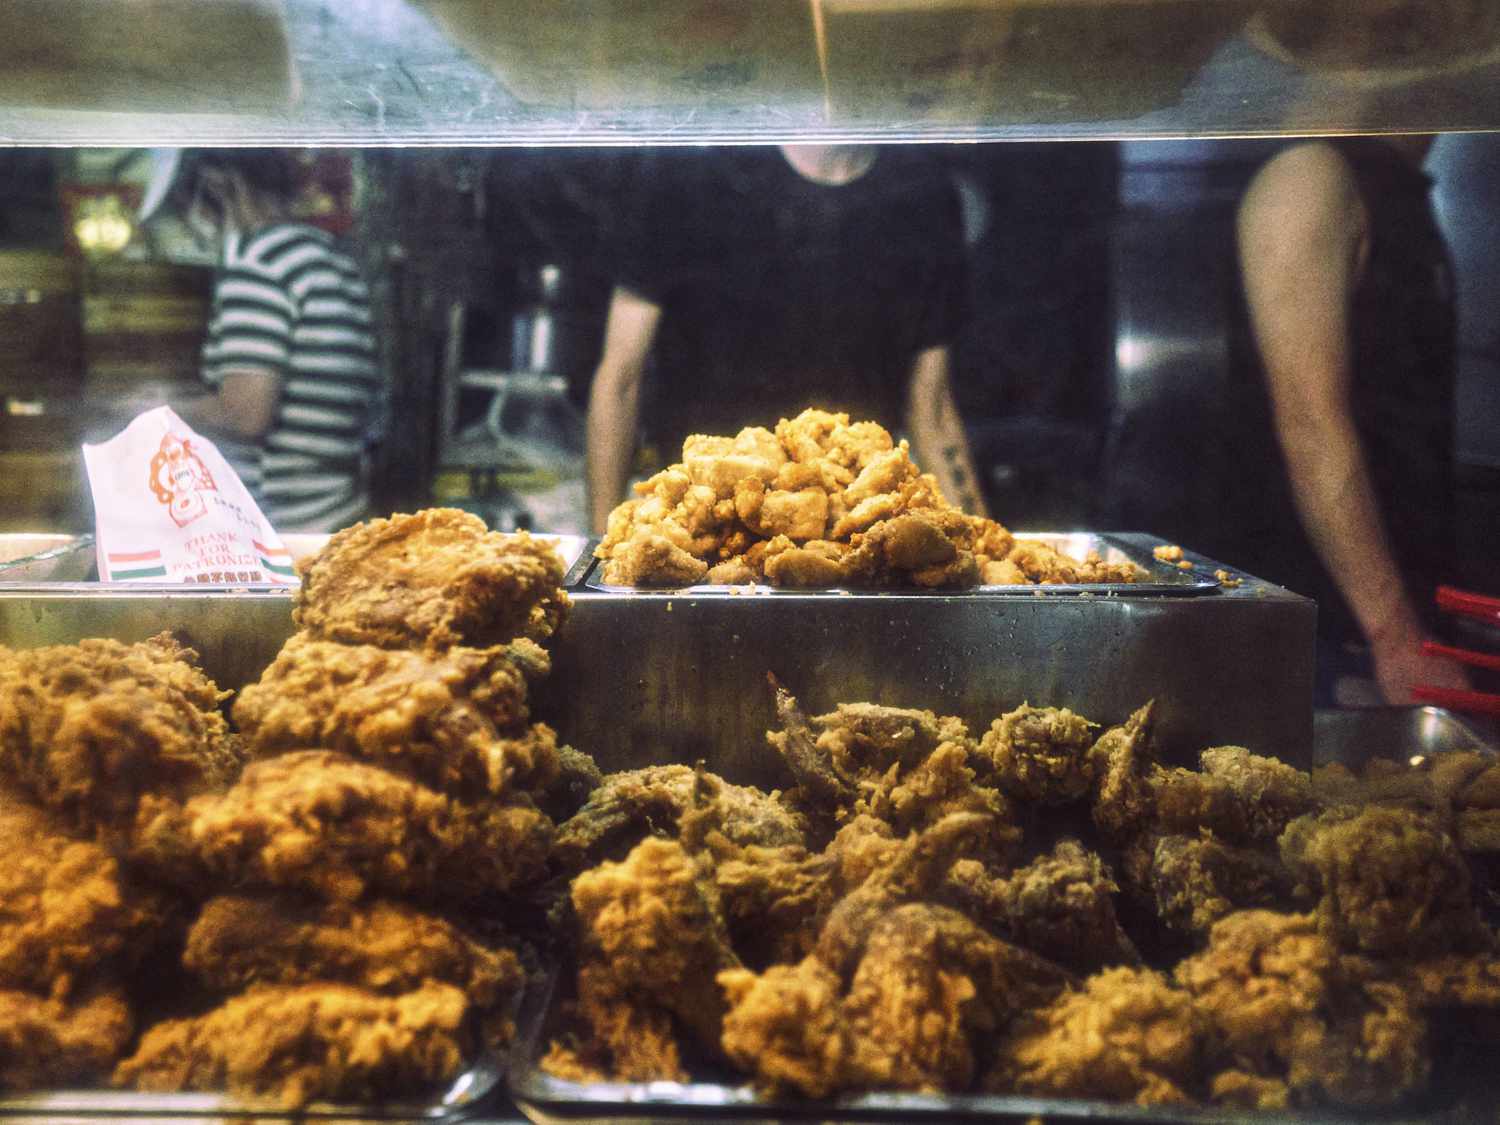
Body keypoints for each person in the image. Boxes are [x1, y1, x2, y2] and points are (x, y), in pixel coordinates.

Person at [585, 144, 986, 534]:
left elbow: (930, 407)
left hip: (851, 528)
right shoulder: (692, 168)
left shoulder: (923, 192)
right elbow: (620, 379)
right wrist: (600, 554)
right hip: (706, 523)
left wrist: (982, 550)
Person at [1231, 135, 1470, 705]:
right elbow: (1310, 428)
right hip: (1325, 643)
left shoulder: (1396, 194)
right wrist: (1396, 637)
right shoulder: (1310, 178)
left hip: (1374, 636)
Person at [126, 149, 383, 533]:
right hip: (336, 513)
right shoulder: (329, 259)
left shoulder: (259, 261)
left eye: (184, 206)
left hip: (284, 528)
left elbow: (246, 413)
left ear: (217, 186)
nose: (193, 225)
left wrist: (156, 408)